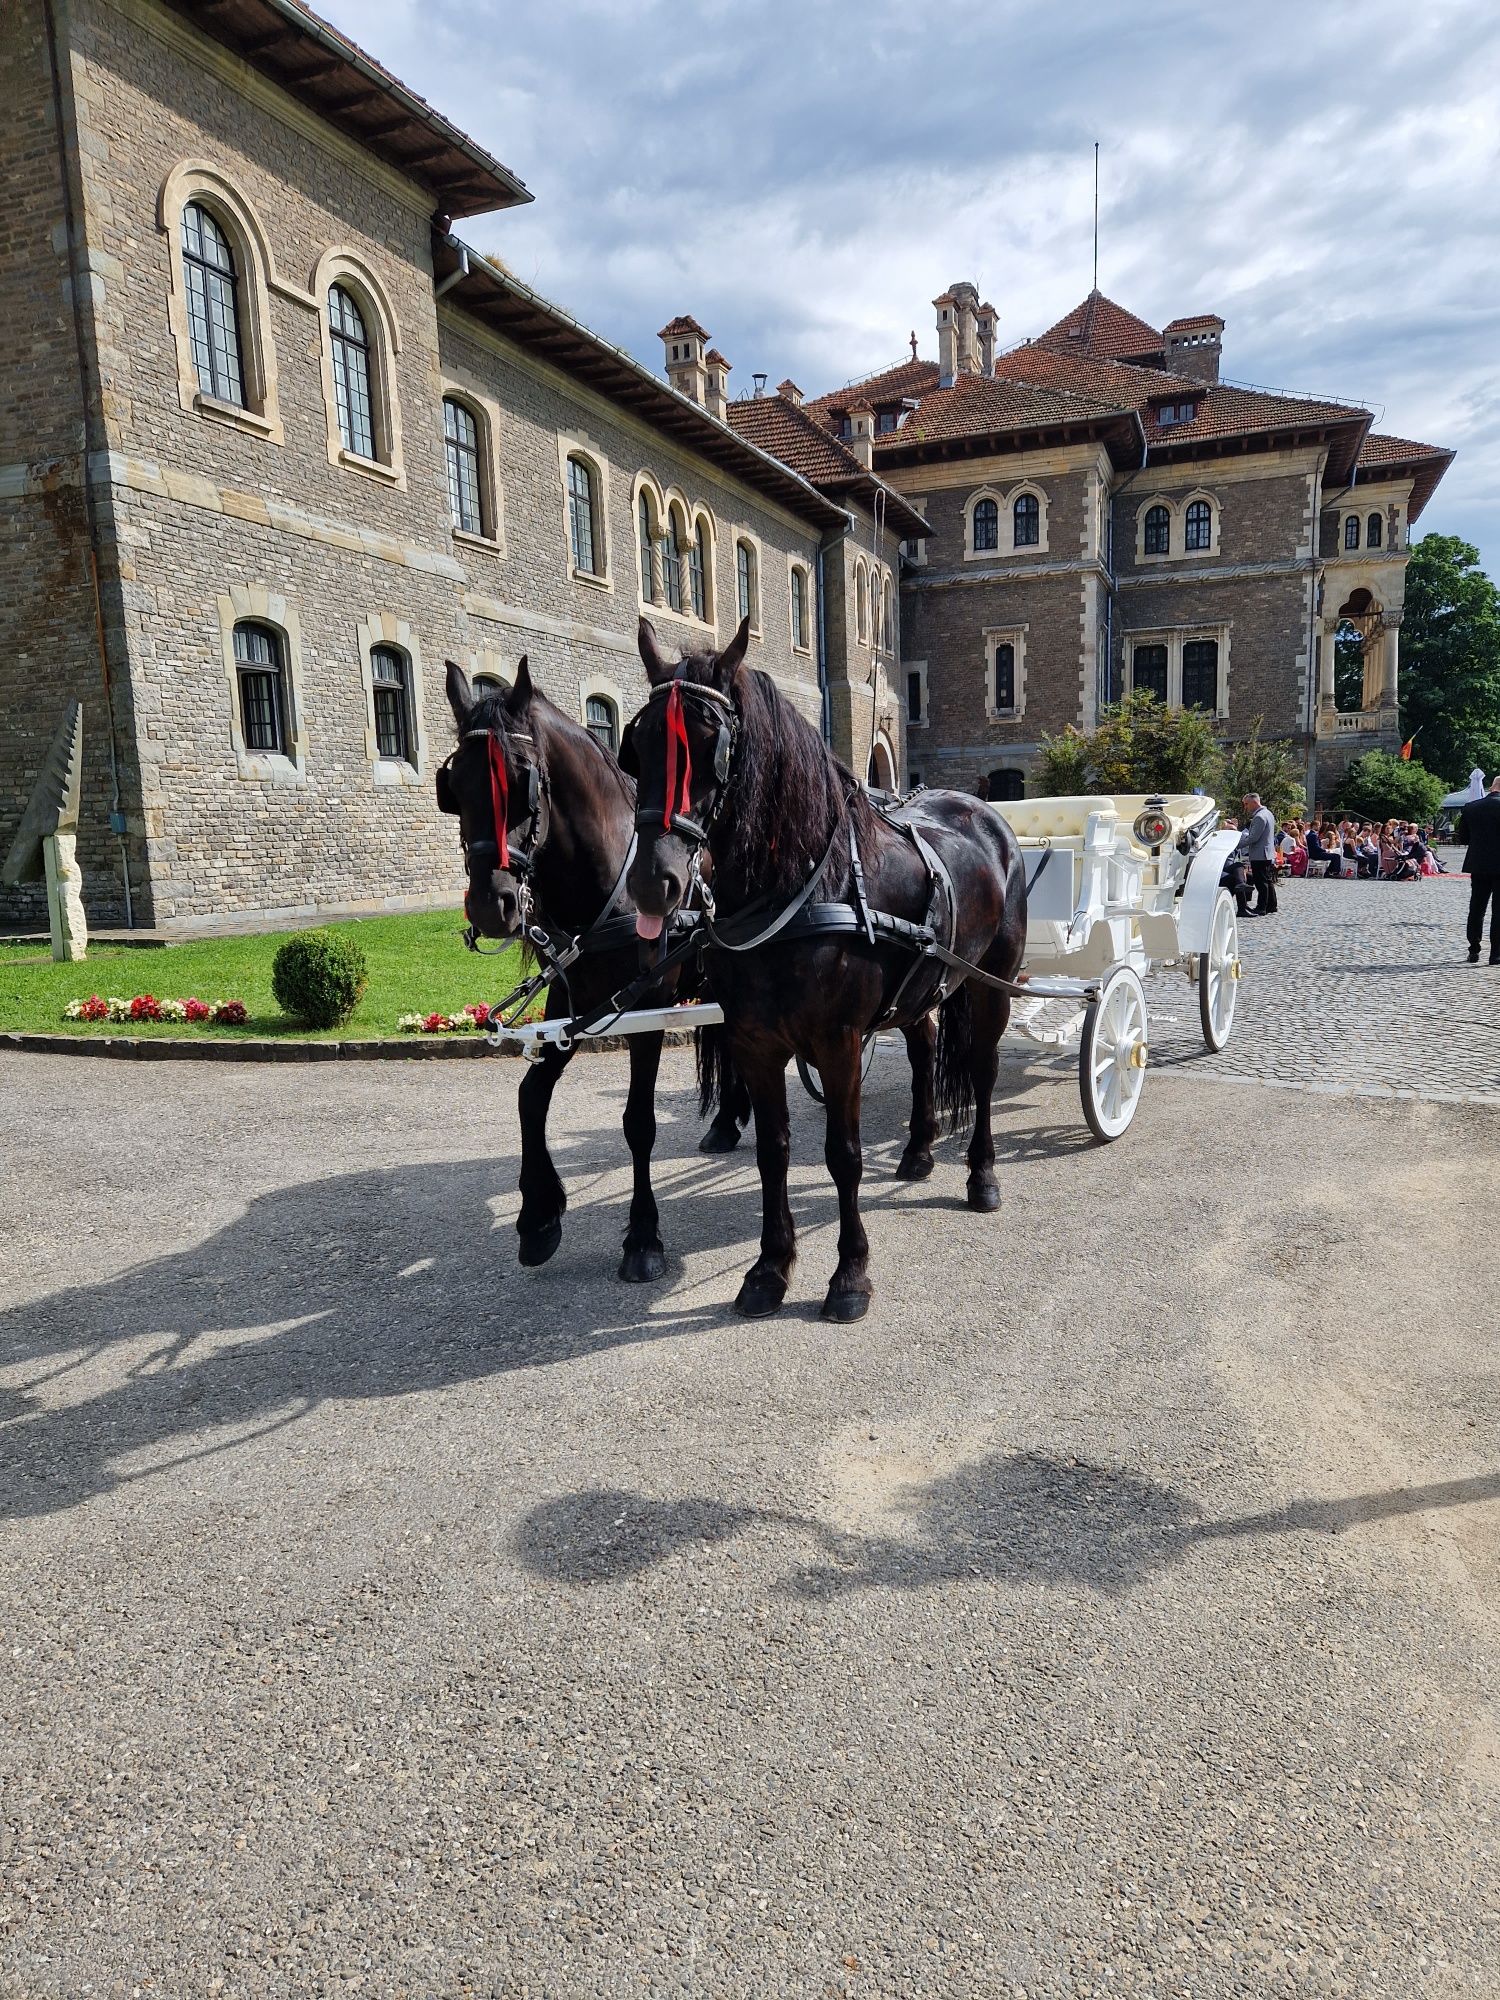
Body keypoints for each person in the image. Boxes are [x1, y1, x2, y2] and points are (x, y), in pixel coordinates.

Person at [1459, 772, 1500, 963]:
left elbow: (1463, 839)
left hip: (1479, 864)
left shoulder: (1471, 808)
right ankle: (1496, 954)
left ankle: (1474, 948)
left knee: (1477, 907)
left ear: (1492, 787)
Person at [1236, 792, 1278, 914]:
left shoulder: (1259, 817)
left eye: (1246, 804)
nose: (1245, 807)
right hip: (1267, 853)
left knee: (1261, 882)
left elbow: (1253, 838)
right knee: (1267, 880)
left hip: (1260, 854)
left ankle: (1262, 907)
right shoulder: (1268, 813)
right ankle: (1271, 905)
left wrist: (1237, 844)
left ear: (1254, 802)